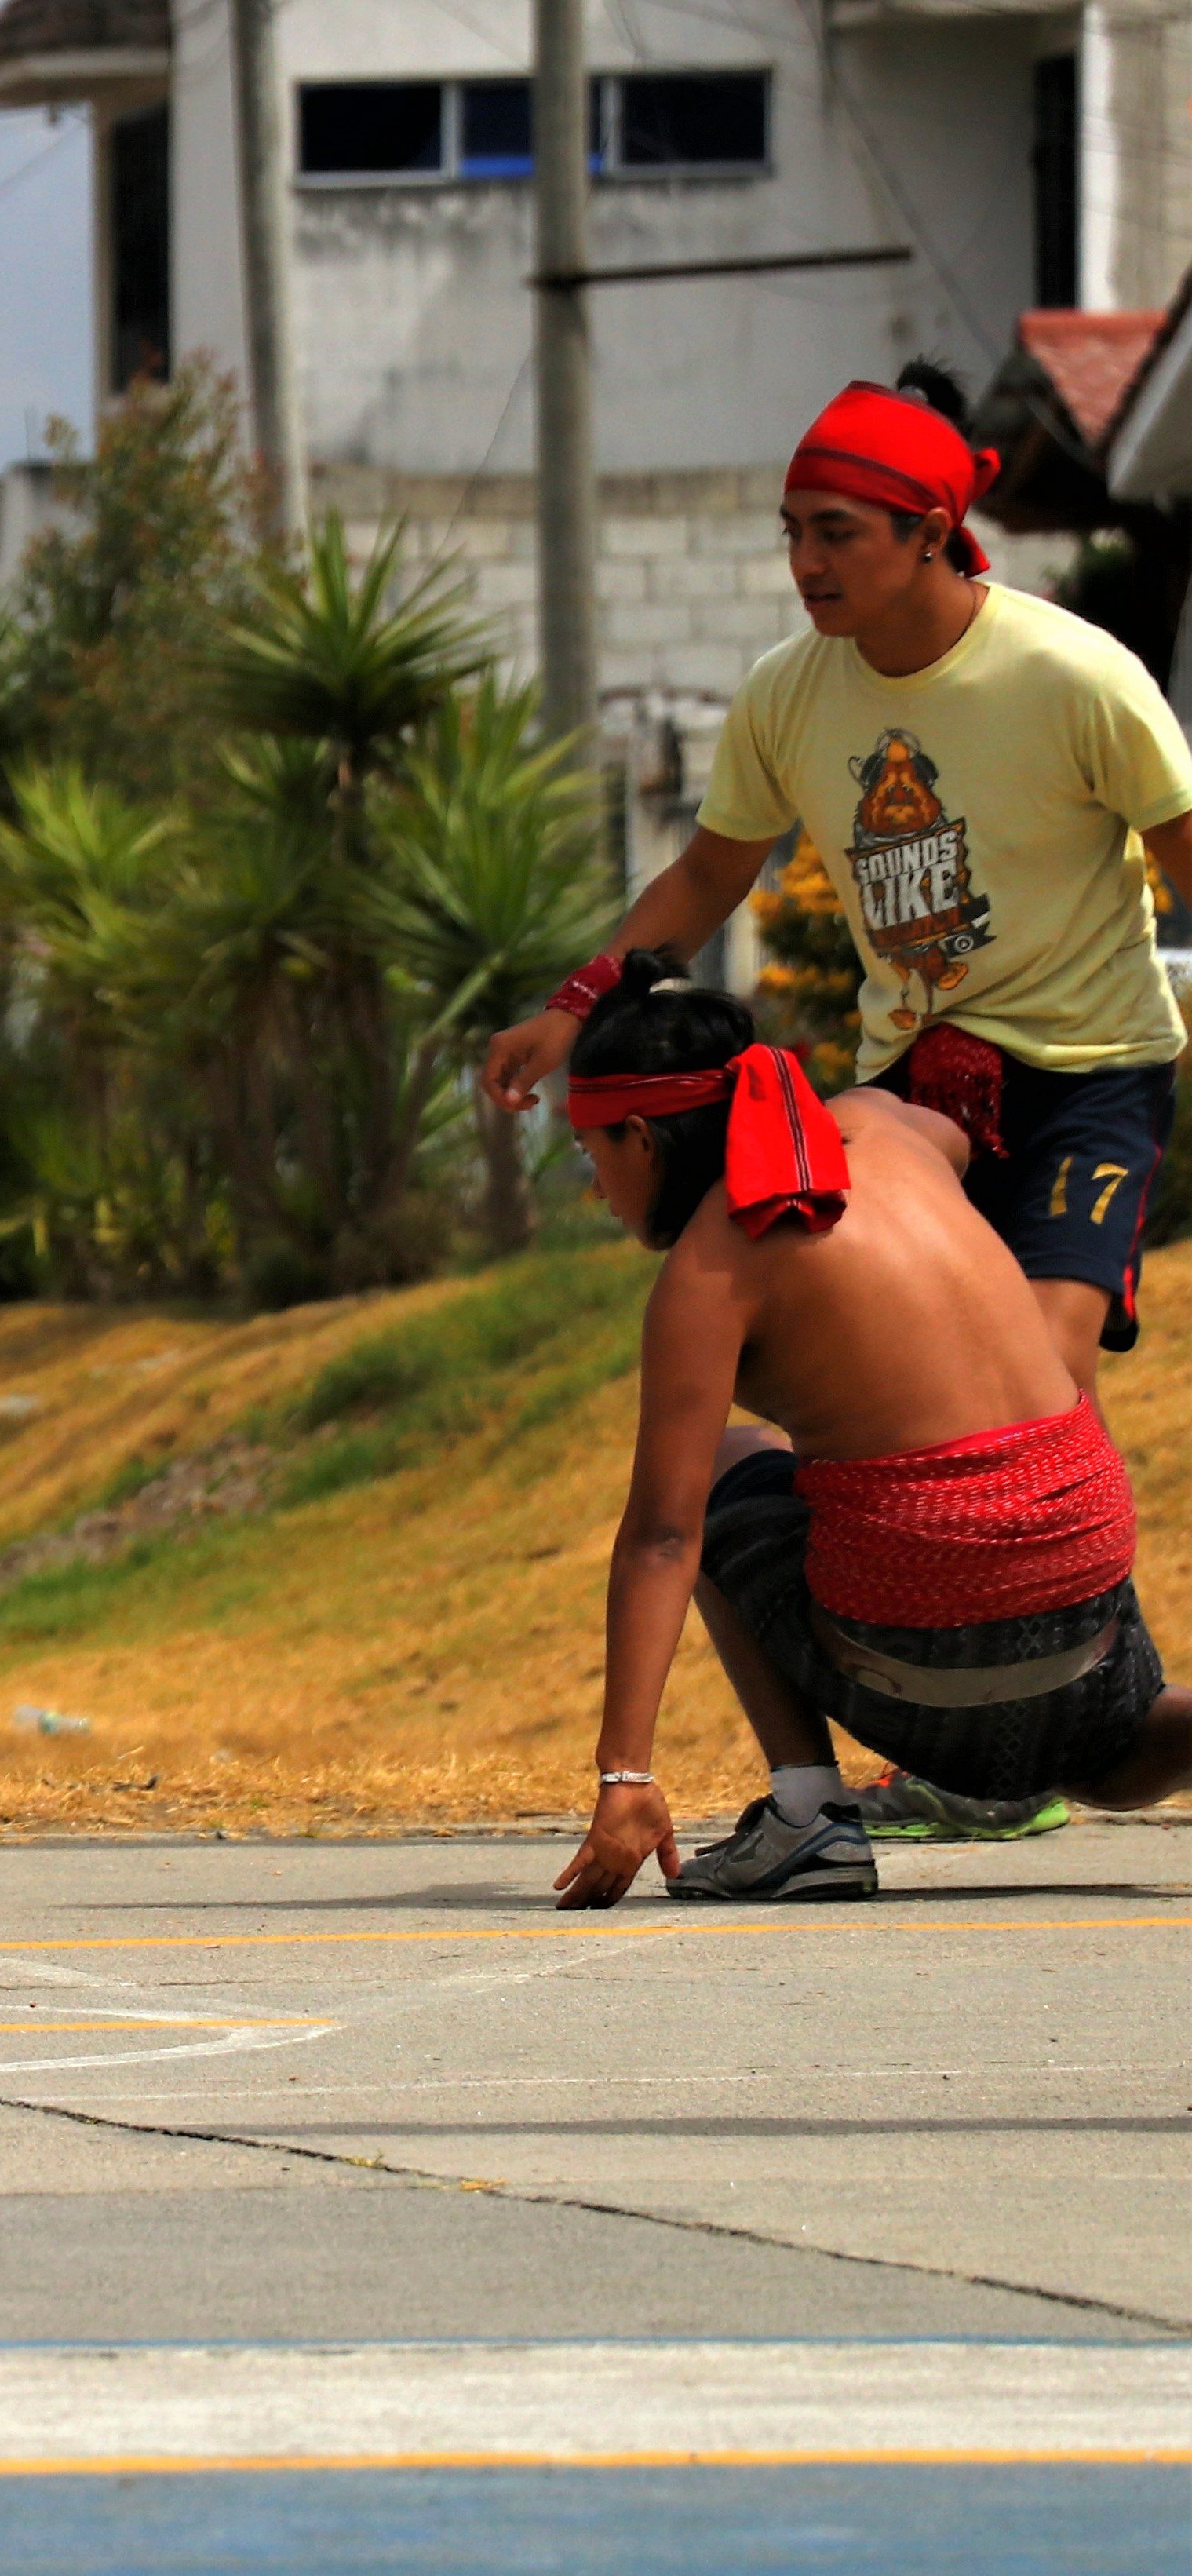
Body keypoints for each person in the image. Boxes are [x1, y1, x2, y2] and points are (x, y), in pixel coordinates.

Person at [482, 367, 1192, 1840]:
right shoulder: (787, 696)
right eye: (790, 530)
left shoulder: (1072, 677)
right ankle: (977, 1709)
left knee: (1042, 1371)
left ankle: (1056, 1688)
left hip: (1080, 1079)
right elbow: (702, 881)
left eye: (838, 532)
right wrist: (568, 1007)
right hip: (911, 1083)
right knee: (879, 1392)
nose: (805, 563)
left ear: (932, 528)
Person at [548, 954, 1192, 1913]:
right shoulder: (882, 1128)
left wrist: (622, 1776)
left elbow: (659, 1537)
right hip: (1084, 1603)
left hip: (926, 1654)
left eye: (591, 1153)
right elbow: (954, 1138)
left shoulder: (710, 1269)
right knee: (1096, 1759)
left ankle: (807, 1816)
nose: (595, 1187)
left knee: (726, 1463)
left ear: (642, 1137)